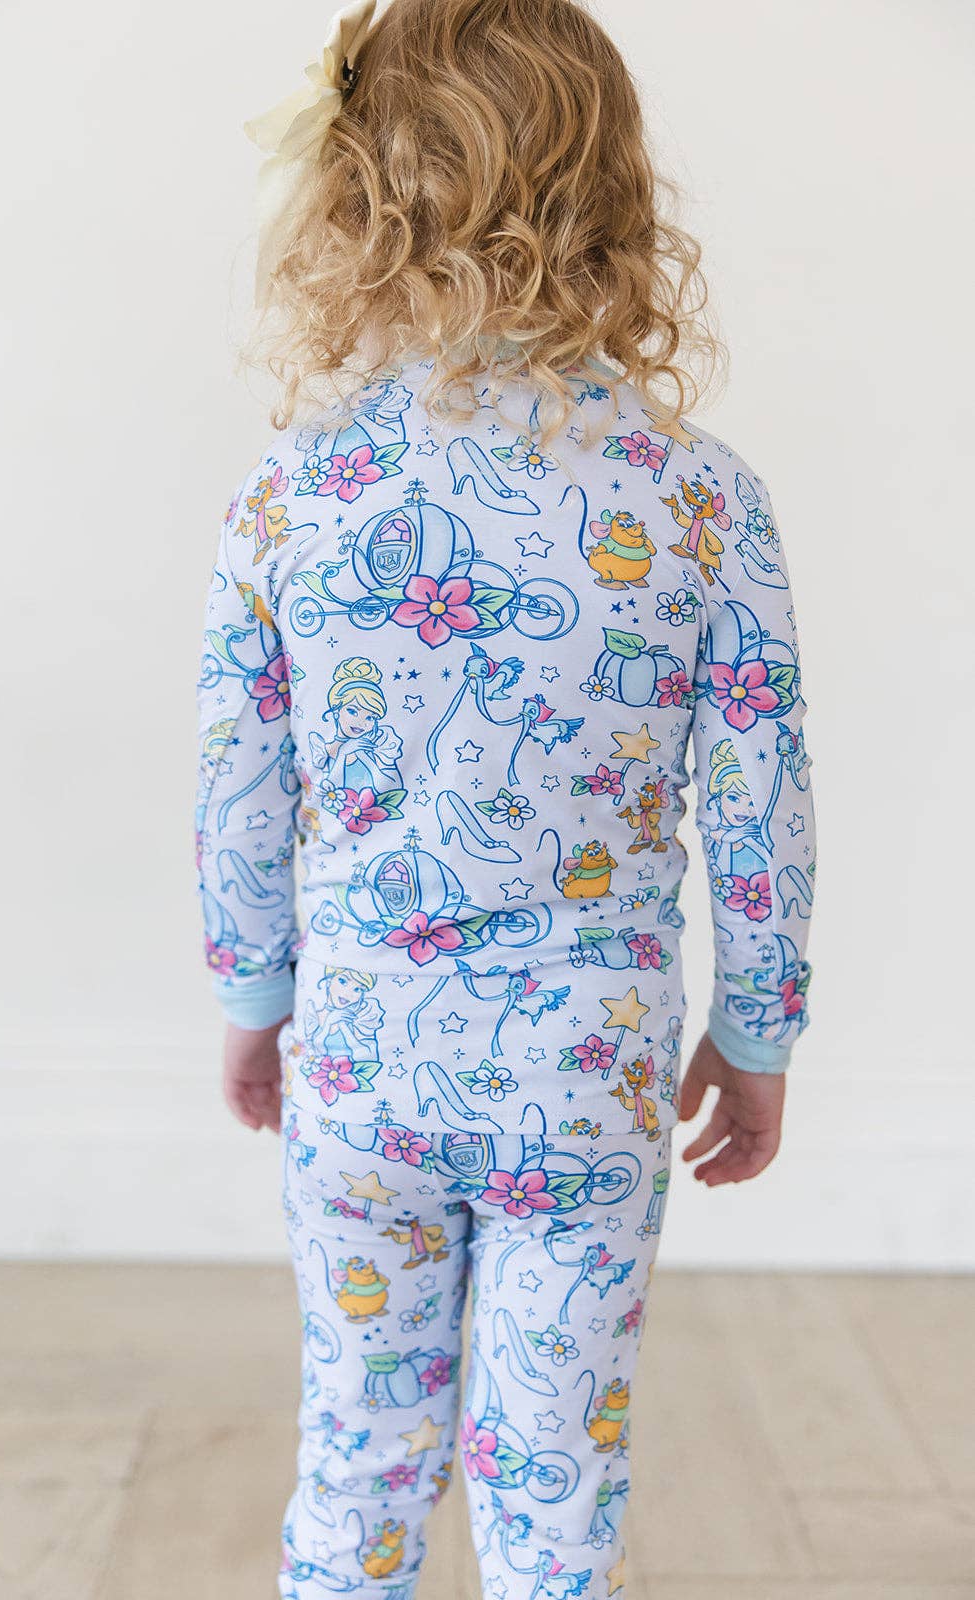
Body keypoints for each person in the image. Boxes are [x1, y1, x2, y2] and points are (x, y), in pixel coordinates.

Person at [193, 1, 817, 1594]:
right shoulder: (702, 503)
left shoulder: (292, 499)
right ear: (616, 197)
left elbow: (239, 789)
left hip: (363, 1065)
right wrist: (755, 1036)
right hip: (587, 1076)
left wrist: (255, 996)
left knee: (358, 1457)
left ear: (356, 205)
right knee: (554, 1482)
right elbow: (761, 804)